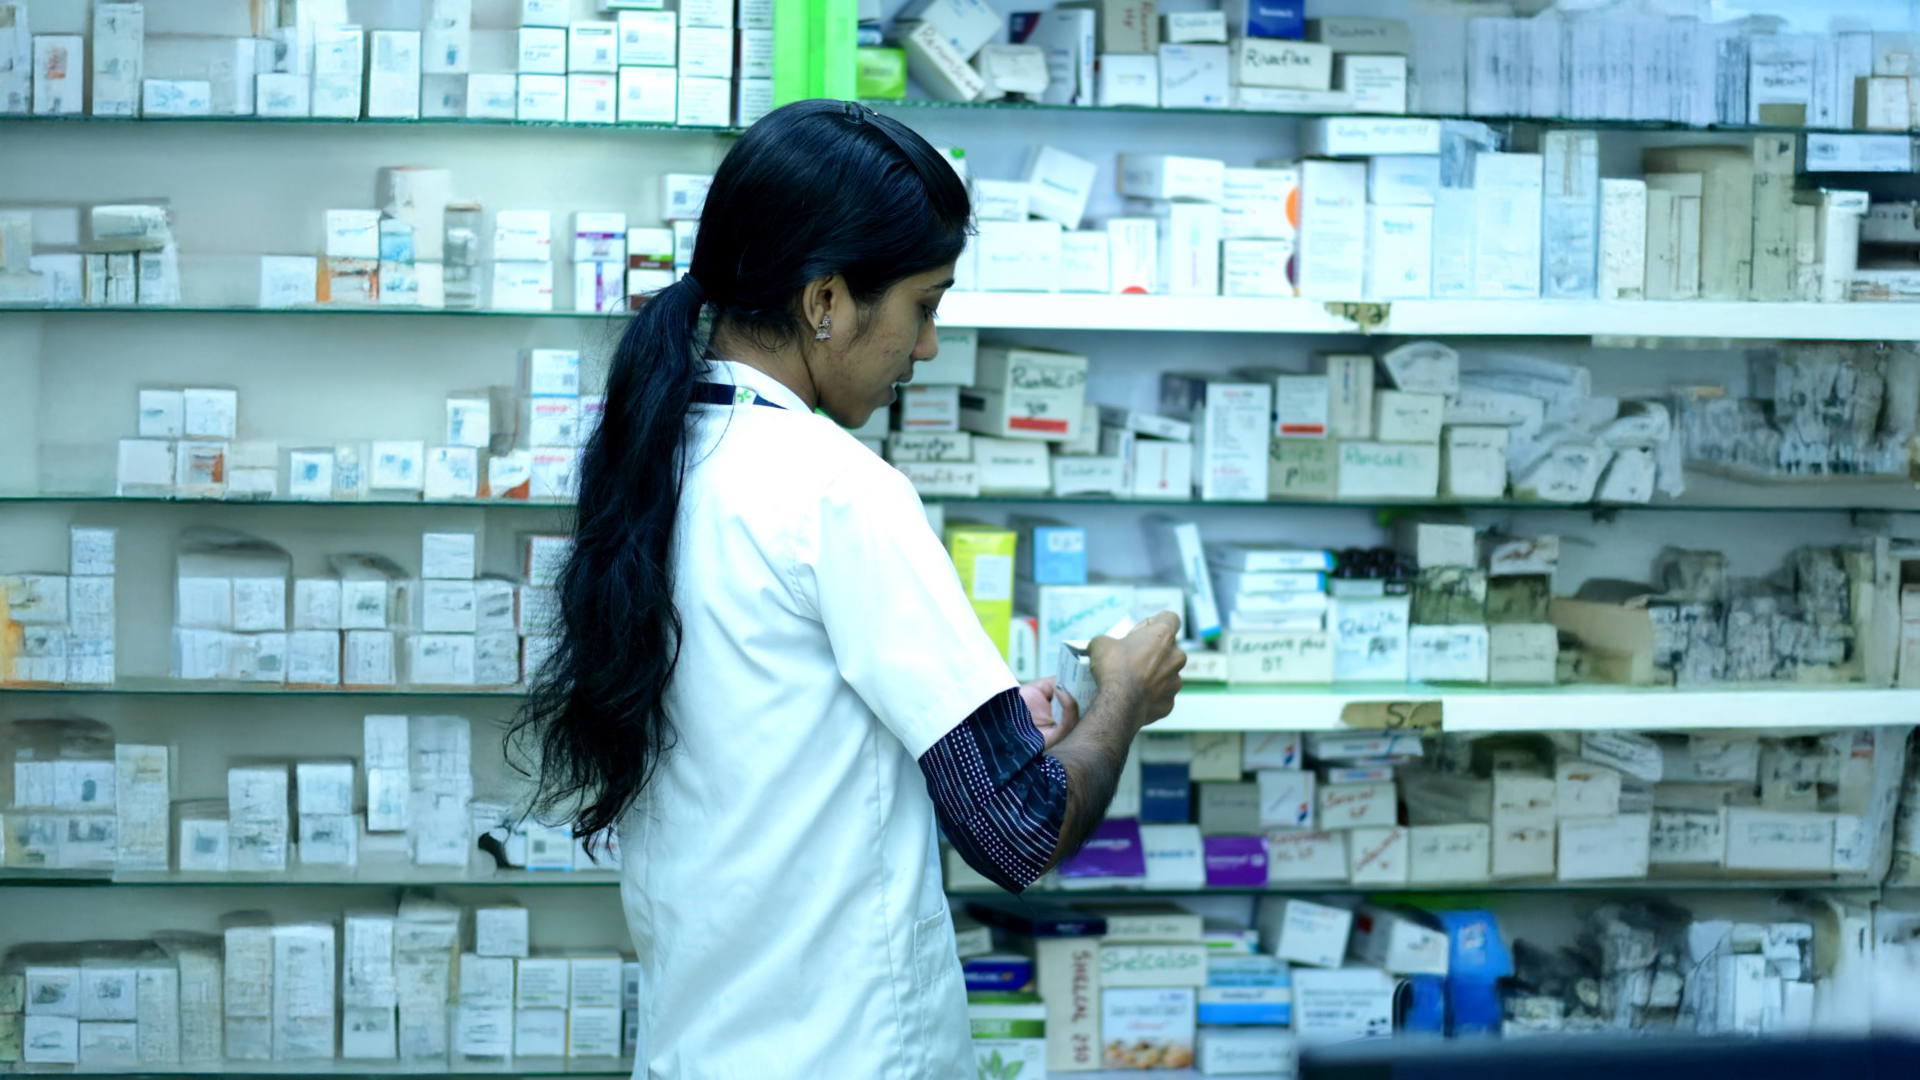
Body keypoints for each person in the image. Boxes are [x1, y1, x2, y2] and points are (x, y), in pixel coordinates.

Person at [511, 99, 1187, 1080]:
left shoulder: (661, 458)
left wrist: (990, 729)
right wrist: (1126, 691)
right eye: (925, 305)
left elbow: (781, 735)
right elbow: (1021, 831)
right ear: (824, 301)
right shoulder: (838, 490)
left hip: (698, 1046)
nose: (927, 348)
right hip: (847, 1053)